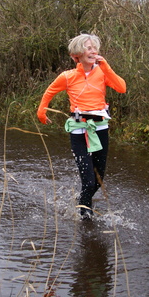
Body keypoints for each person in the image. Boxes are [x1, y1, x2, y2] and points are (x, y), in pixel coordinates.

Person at [37, 33, 126, 220]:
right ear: (77, 54)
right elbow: (49, 92)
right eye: (88, 47)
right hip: (78, 130)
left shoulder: (103, 73)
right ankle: (85, 219)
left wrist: (106, 67)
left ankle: (81, 202)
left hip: (100, 129)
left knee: (98, 179)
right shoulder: (67, 76)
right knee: (88, 180)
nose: (93, 51)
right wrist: (41, 112)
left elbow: (121, 87)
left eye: (95, 48)